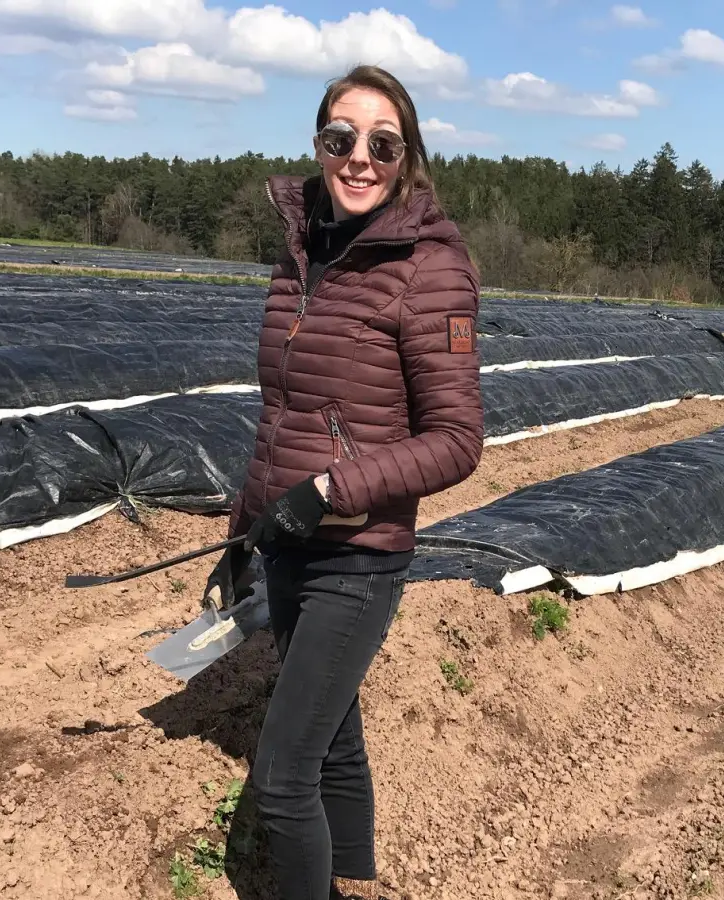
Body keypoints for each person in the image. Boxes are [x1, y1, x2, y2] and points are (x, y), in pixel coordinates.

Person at [206, 64, 484, 900]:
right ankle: (357, 882)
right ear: (319, 146)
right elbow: (280, 416)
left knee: (283, 776)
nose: (359, 158)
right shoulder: (301, 258)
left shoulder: (430, 268)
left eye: (382, 143)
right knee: (335, 741)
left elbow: (459, 440)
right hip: (288, 543)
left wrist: (329, 491)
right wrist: (241, 536)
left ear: (407, 158)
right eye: (341, 138)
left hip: (357, 557)